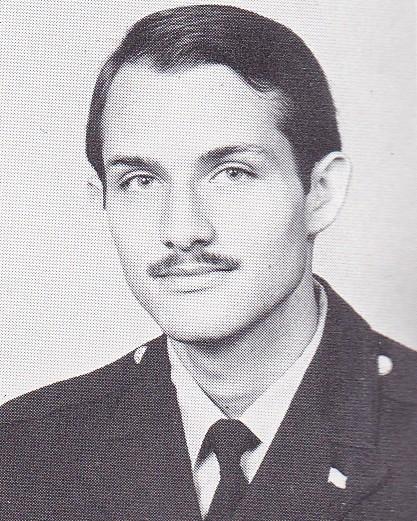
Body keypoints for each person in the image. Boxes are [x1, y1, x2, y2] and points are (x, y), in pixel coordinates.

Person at [1, 5, 416, 520]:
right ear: (102, 201)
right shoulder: (24, 453)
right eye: (140, 181)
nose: (182, 230)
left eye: (233, 173)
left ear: (321, 193)